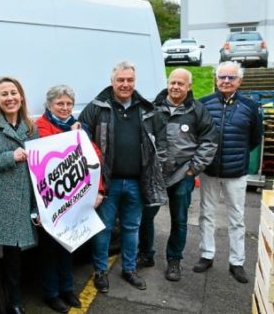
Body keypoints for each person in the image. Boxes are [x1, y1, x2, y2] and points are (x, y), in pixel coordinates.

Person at [78, 61, 166, 293]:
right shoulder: (97, 107)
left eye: (130, 80)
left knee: (131, 227)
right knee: (103, 228)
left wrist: (159, 168)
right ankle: (100, 271)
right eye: (121, 80)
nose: (125, 84)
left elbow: (160, 140)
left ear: (134, 82)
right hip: (107, 183)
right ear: (112, 81)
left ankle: (129, 269)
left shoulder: (145, 108)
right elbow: (81, 137)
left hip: (137, 182)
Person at [138, 68, 217, 282]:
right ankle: (146, 254)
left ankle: (174, 260)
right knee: (146, 216)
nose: (175, 87)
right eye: (172, 82)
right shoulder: (154, 108)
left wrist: (193, 169)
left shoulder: (198, 111)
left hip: (183, 174)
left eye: (180, 84)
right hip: (156, 175)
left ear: (189, 86)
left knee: (179, 220)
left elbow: (209, 142)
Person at [35, 84, 105, 313]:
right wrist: (72, 136)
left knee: (68, 247)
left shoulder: (77, 127)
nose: (65, 108)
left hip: (72, 200)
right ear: (49, 105)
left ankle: (67, 289)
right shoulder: (41, 127)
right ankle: (51, 293)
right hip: (51, 202)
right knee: (48, 251)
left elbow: (94, 158)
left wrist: (99, 189)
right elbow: (50, 156)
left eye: (68, 104)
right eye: (59, 104)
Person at [193, 61, 262, 284]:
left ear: (239, 81)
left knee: (236, 218)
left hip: (236, 173)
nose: (225, 81)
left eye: (230, 78)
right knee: (206, 214)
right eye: (222, 77)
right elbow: (197, 135)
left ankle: (237, 261)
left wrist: (238, 157)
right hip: (210, 171)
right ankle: (207, 254)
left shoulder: (250, 107)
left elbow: (254, 138)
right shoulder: (203, 104)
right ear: (216, 78)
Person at [0, 76, 38, 314]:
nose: (9, 98)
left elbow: (39, 169)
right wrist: (11, 157)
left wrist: (35, 206)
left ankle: (14, 303)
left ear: (21, 97)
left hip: (21, 200)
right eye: (4, 94)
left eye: (13, 93)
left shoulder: (31, 128)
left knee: (14, 259)